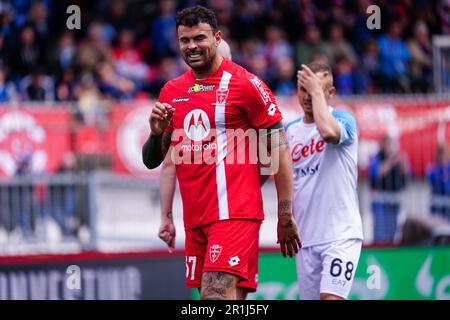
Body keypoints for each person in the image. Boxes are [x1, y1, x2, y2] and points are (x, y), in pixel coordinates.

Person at [142, 6, 300, 300]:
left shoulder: (246, 85)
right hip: (196, 221)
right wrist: (155, 132)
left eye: (199, 38)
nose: (191, 47)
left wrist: (285, 214)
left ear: (216, 38)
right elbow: (154, 161)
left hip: (234, 215)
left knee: (213, 299)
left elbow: (279, 150)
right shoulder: (171, 91)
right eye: (185, 40)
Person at [285, 62, 363, 300]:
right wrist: (284, 216)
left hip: (341, 235)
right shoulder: (290, 130)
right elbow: (283, 178)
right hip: (306, 240)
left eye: (315, 90)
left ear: (330, 93)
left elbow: (329, 133)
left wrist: (318, 94)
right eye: (303, 89)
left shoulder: (344, 120)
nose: (308, 96)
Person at [368, 134, 410, 244]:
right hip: (381, 201)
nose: (389, 147)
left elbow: (407, 172)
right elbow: (377, 172)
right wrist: (391, 161)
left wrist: (400, 161)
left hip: (394, 200)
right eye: (386, 144)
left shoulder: (398, 158)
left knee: (393, 231)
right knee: (380, 232)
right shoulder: (376, 158)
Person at [427, 143, 450, 220]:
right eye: (441, 154)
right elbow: (433, 182)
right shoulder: (432, 169)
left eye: (445, 154)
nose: (443, 157)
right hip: (437, 208)